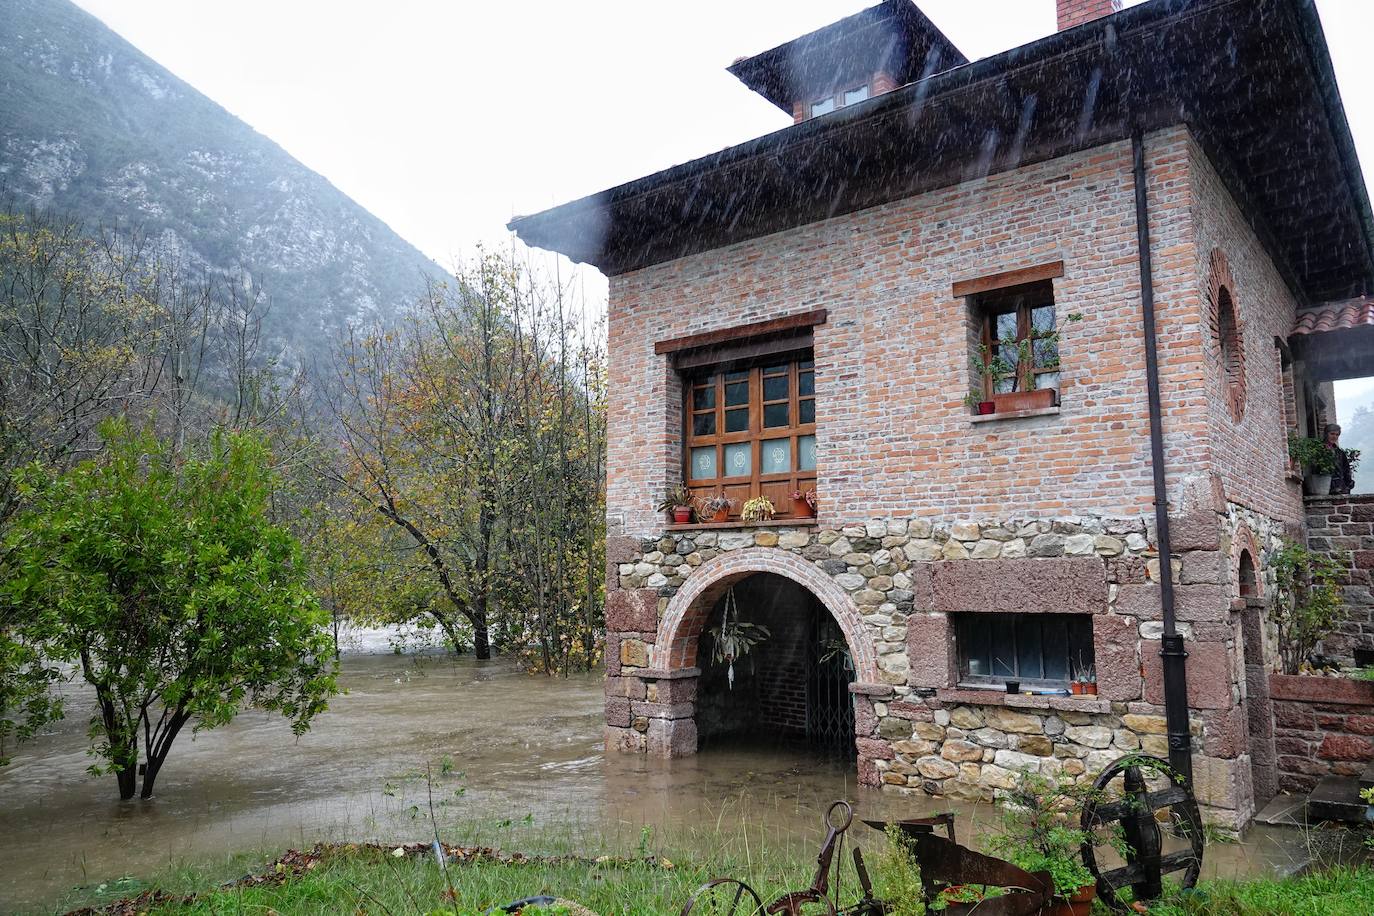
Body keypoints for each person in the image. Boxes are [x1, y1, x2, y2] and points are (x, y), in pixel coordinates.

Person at [1325, 423, 1355, 495]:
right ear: (1326, 434)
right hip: (1325, 486)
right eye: (1332, 434)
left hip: (1341, 487)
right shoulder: (1319, 450)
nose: (1334, 437)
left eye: (1337, 435)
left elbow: (1346, 470)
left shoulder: (1340, 453)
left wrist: (1348, 485)